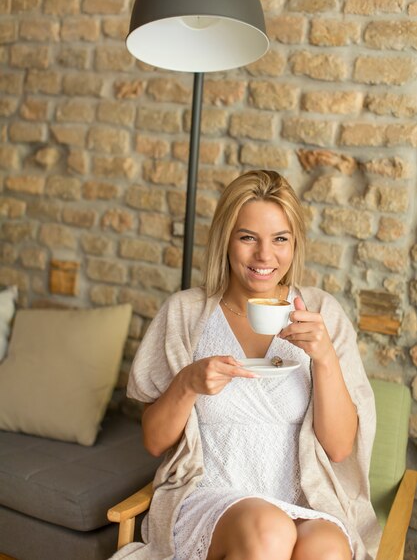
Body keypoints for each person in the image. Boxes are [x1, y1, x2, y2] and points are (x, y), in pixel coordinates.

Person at [114, 170, 381, 560]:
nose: (264, 256)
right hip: (210, 497)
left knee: (329, 550)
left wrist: (323, 358)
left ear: (294, 245)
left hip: (305, 498)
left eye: (280, 239)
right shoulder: (186, 314)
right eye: (247, 238)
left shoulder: (322, 314)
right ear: (225, 241)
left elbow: (339, 449)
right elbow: (154, 442)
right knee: (267, 531)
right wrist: (187, 383)